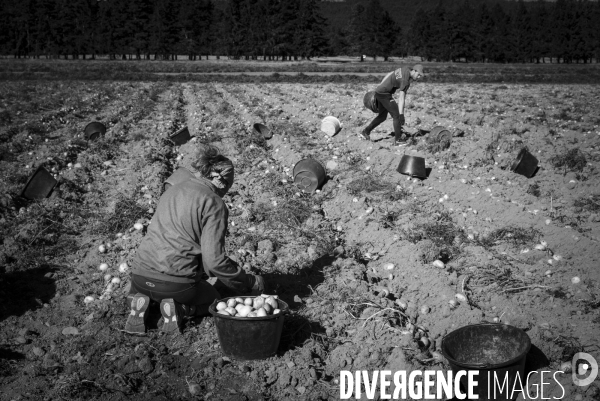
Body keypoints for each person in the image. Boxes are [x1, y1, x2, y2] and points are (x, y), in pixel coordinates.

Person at [124, 145, 266, 334]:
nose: (230, 187)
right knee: (215, 299)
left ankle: (139, 302)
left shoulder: (172, 190)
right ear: (218, 178)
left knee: (147, 287)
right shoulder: (214, 203)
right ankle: (183, 309)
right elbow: (214, 262)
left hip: (139, 276)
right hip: (176, 285)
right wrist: (247, 281)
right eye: (230, 180)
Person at [360, 64, 424, 145]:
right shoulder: (406, 81)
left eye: (420, 76)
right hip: (384, 94)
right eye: (418, 75)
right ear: (414, 71)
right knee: (396, 115)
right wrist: (401, 115)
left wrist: (381, 86)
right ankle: (398, 140)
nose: (419, 77)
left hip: (380, 92)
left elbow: (390, 73)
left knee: (382, 116)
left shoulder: (405, 69)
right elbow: (401, 98)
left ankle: (365, 132)